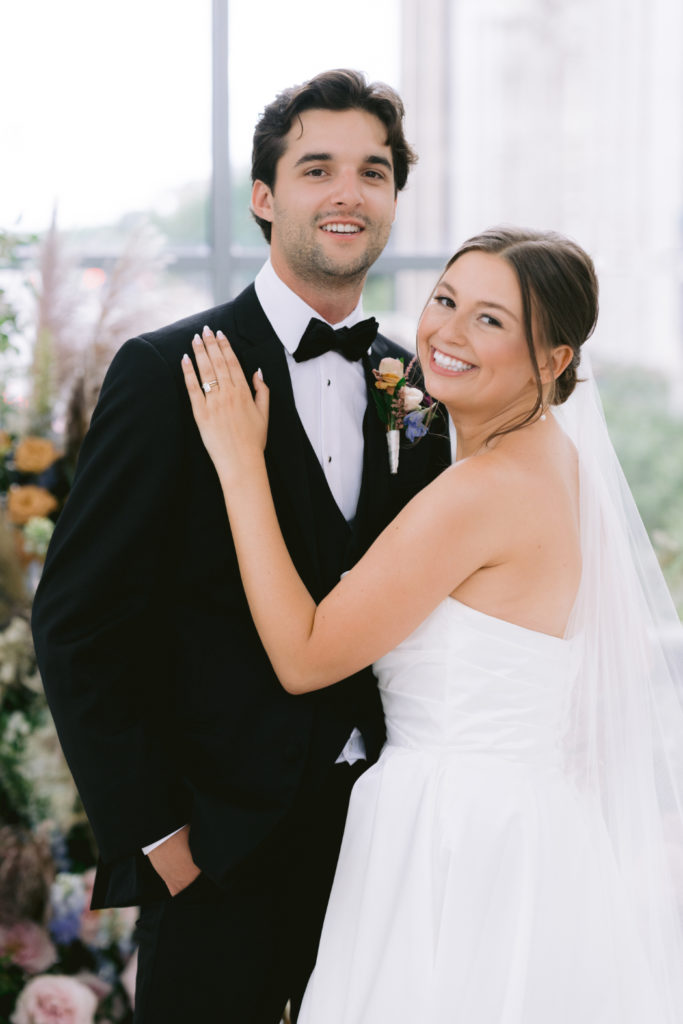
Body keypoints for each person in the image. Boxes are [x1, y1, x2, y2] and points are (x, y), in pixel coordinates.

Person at [30, 69, 450, 1023]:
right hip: (219, 850)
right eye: (317, 169)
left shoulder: (412, 386)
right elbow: (77, 624)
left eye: (372, 172)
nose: (348, 192)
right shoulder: (165, 371)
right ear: (266, 198)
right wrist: (162, 838)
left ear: (391, 201)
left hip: (383, 837)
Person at [182, 226, 683, 1023]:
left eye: (489, 320)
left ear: (553, 360)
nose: (446, 333)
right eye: (444, 300)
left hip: (450, 830)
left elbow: (306, 656)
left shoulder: (479, 491)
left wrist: (242, 464)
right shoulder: (554, 461)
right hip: (529, 820)